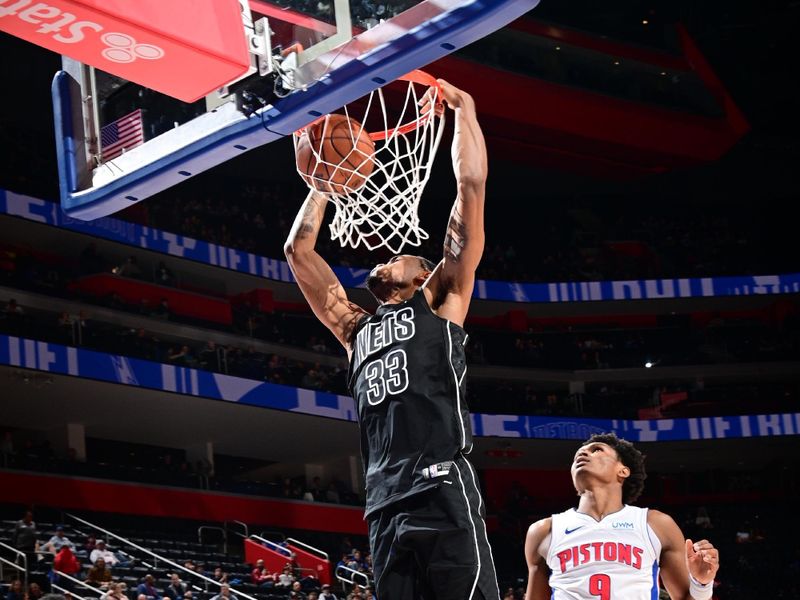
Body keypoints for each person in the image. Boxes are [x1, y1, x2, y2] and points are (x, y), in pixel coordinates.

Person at [284, 80, 497, 599]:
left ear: (426, 274)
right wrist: (324, 179)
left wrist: (465, 111)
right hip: (383, 499)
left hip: (440, 483)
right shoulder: (356, 329)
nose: (387, 256)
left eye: (404, 255)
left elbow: (469, 190)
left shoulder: (441, 300)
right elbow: (297, 250)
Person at [523, 433, 720, 600]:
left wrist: (702, 584)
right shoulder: (544, 530)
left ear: (623, 471)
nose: (583, 453)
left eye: (597, 450)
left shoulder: (655, 524)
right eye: (578, 454)